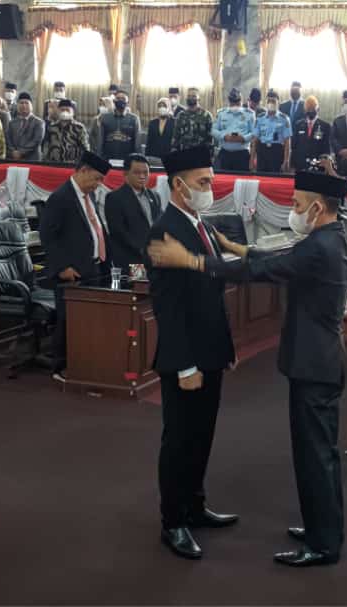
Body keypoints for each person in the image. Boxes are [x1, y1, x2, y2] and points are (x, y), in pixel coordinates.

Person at [147, 170, 347, 568]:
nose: (292, 210)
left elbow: (266, 271)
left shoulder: (321, 246)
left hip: (315, 364)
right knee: (316, 454)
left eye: (296, 205)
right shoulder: (332, 236)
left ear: (316, 207)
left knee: (316, 457)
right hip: (318, 361)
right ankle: (321, 528)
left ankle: (324, 543)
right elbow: (280, 260)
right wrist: (236, 248)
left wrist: (190, 259)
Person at [143, 146, 239, 561]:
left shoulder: (201, 225)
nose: (209, 188)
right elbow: (169, 308)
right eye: (203, 182)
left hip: (211, 352)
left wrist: (223, 348)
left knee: (203, 435)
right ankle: (173, 521)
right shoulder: (164, 231)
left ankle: (195, 506)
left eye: (211, 180)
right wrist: (185, 365)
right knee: (180, 440)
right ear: (178, 185)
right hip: (186, 358)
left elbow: (213, 293)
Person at [40, 151, 112, 379]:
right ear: (83, 171)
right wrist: (62, 267)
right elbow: (48, 237)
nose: (99, 184)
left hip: (93, 267)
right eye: (97, 178)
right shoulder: (61, 198)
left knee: (88, 320)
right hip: (71, 272)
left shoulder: (87, 196)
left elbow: (94, 229)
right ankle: (61, 368)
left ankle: (84, 362)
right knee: (68, 321)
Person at [105, 154, 161, 269]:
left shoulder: (155, 196)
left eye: (145, 172)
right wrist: (143, 250)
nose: (142, 176)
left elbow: (159, 224)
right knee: (137, 282)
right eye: (137, 173)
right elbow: (118, 232)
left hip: (154, 259)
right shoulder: (114, 198)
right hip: (131, 259)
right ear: (125, 174)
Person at [212, 88, 255, 171]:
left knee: (241, 178)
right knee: (224, 178)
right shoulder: (221, 113)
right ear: (229, 102)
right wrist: (224, 136)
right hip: (225, 154)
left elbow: (254, 132)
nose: (235, 105)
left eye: (237, 102)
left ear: (241, 101)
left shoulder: (249, 114)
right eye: (232, 102)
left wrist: (243, 138)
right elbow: (213, 130)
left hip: (242, 155)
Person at [252, 90, 292, 173]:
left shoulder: (284, 119)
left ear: (278, 103)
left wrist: (286, 160)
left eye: (273, 101)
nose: (271, 103)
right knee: (261, 178)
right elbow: (255, 140)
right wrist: (252, 159)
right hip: (262, 152)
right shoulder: (260, 118)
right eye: (268, 101)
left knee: (275, 178)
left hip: (277, 152)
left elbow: (287, 142)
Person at [96, 89, 141, 162]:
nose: (120, 100)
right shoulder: (105, 118)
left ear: (127, 102)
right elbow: (100, 141)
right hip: (107, 159)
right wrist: (99, 159)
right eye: (118, 98)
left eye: (123, 99)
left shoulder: (134, 119)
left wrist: (137, 160)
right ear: (114, 101)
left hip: (127, 160)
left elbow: (137, 143)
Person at [290, 96, 332, 172]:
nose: (310, 111)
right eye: (308, 109)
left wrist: (326, 166)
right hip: (300, 166)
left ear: (318, 109)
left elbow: (327, 149)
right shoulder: (298, 125)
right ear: (304, 110)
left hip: (318, 167)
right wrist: (292, 165)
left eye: (312, 108)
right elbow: (294, 147)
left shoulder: (325, 126)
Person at [172, 87, 214, 157]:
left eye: (194, 96)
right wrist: (174, 151)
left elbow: (210, 138)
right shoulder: (181, 115)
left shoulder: (206, 115)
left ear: (199, 98)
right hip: (184, 153)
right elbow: (176, 136)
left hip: (201, 154)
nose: (191, 98)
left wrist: (210, 155)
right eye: (189, 96)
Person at [43, 99, 89, 163]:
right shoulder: (51, 127)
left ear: (72, 112)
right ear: (58, 111)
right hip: (55, 164)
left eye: (67, 110)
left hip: (73, 164)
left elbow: (85, 148)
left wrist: (82, 163)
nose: (65, 112)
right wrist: (46, 161)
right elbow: (46, 146)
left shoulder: (79, 128)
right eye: (62, 110)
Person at [5, 93, 45, 161]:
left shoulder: (39, 122)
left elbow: (36, 141)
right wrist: (13, 152)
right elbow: (8, 139)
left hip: (32, 159)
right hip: (14, 158)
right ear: (17, 105)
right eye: (21, 103)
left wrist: (21, 152)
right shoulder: (12, 123)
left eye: (26, 103)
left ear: (31, 106)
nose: (24, 105)